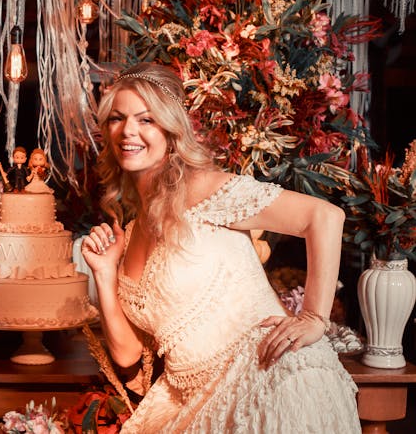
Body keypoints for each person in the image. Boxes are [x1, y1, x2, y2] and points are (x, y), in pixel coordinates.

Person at [81, 62, 360, 433]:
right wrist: (104, 275)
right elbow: (130, 360)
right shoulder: (130, 234)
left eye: (146, 119)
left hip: (267, 379)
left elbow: (323, 217)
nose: (128, 131)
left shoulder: (202, 189)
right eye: (117, 118)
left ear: (171, 128)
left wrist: (313, 318)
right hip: (186, 401)